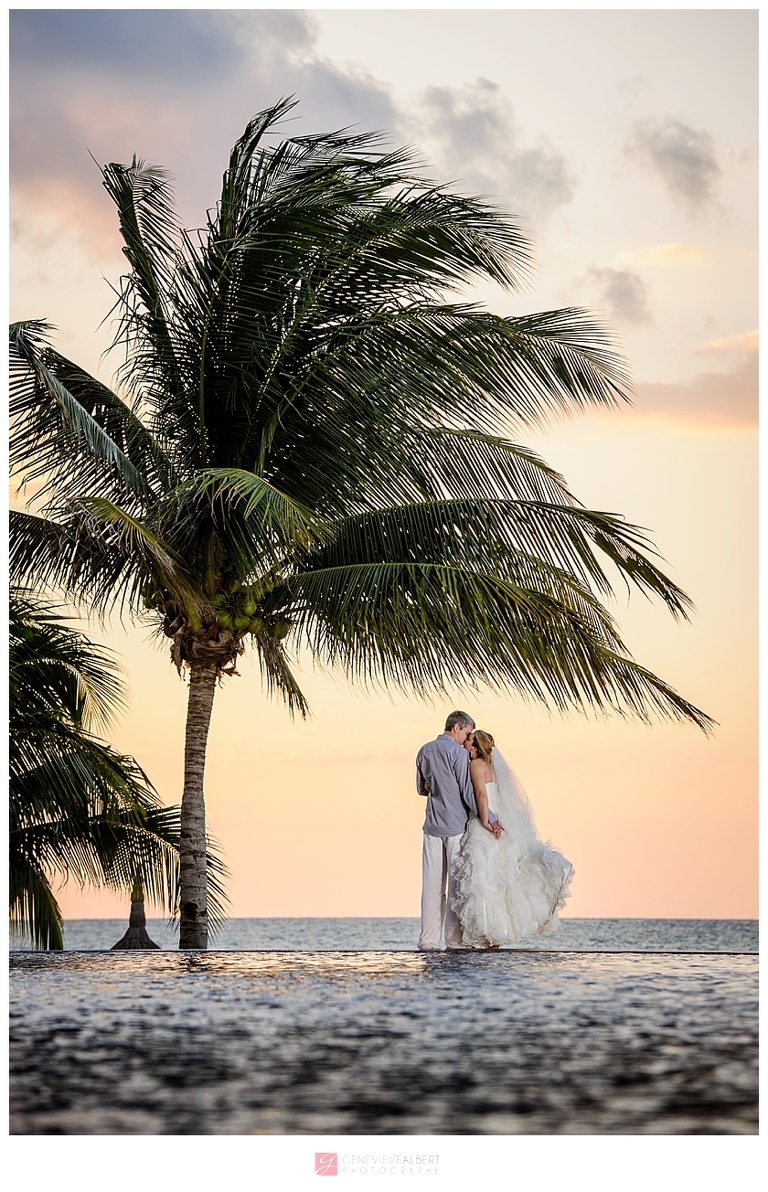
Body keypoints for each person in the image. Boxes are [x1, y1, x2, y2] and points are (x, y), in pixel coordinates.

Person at [452, 730, 574, 949]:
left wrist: (486, 822)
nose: (465, 744)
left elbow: (481, 795)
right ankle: (497, 937)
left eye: (468, 741)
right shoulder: (494, 768)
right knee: (503, 880)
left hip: (486, 823)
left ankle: (488, 934)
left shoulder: (476, 765)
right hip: (504, 822)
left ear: (476, 747)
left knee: (485, 880)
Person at [416, 711, 502, 950]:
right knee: (455, 886)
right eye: (466, 732)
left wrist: (432, 786)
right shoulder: (458, 754)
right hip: (455, 827)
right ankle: (454, 941)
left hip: (432, 826)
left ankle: (428, 941)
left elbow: (421, 789)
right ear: (456, 727)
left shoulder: (424, 751)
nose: (467, 739)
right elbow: (469, 793)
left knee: (431, 887)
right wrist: (491, 819)